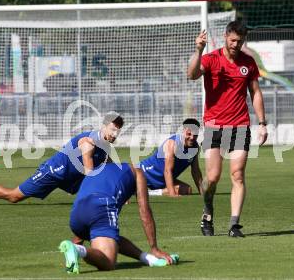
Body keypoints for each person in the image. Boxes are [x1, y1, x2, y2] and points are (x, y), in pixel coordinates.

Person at [187, 21, 268, 237]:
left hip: (240, 125)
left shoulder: (248, 63)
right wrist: (198, 50)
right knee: (212, 178)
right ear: (225, 36)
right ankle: (208, 210)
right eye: (233, 40)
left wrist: (262, 123)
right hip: (215, 126)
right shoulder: (211, 59)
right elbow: (192, 74)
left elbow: (256, 93)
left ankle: (234, 225)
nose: (236, 44)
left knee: (238, 175)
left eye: (240, 41)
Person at [0, 112, 124, 204]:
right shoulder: (89, 142)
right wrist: (111, 191)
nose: (115, 134)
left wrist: (119, 187)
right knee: (14, 196)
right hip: (55, 171)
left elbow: (107, 163)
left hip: (71, 177)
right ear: (103, 126)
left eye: (118, 131)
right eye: (112, 129)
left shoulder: (104, 144)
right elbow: (90, 172)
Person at [59, 162, 178, 273]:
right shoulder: (138, 172)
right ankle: (77, 250)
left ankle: (148, 259)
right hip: (101, 206)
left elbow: (86, 223)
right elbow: (144, 211)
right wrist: (154, 248)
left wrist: (72, 249)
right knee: (109, 262)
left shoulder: (98, 171)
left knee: (112, 237)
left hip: (76, 214)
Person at [139, 118, 203, 197]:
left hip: (163, 181)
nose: (192, 137)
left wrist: (203, 193)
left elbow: (195, 171)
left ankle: (149, 193)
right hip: (145, 174)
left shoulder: (195, 148)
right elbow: (167, 170)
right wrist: (172, 194)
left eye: (195, 135)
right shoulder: (173, 144)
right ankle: (140, 189)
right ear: (183, 131)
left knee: (187, 190)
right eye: (189, 134)